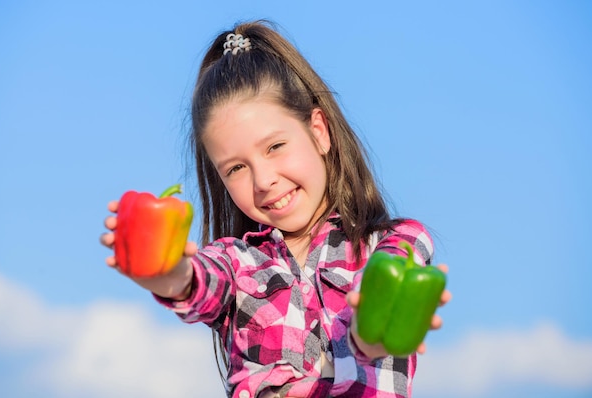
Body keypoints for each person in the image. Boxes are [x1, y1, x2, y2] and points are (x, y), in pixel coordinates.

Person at [101, 20, 451, 398]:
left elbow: (392, 276)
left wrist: (368, 335)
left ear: (319, 131)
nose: (263, 180)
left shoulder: (392, 241)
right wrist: (165, 273)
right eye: (236, 168)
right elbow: (197, 281)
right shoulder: (237, 265)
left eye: (275, 146)